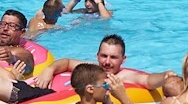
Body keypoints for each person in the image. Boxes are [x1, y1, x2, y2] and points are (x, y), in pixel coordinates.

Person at [30, 34, 175, 91]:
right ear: (97, 55)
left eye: (113, 57)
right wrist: (49, 70)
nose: (107, 62)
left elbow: (148, 81)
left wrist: (165, 76)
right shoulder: (91, 69)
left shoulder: (124, 76)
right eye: (104, 56)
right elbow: (67, 62)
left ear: (123, 59)